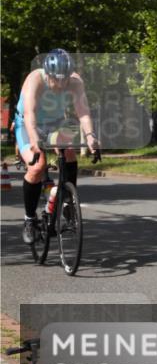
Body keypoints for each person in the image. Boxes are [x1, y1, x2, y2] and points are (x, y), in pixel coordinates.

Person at [13, 49, 100, 244]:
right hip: (27, 124)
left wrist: (91, 136)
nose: (61, 85)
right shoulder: (35, 79)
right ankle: (29, 220)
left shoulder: (76, 82)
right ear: (48, 74)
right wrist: (35, 141)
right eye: (56, 80)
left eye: (65, 80)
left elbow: (83, 112)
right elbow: (30, 114)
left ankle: (68, 201)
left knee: (69, 149)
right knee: (37, 166)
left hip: (56, 122)